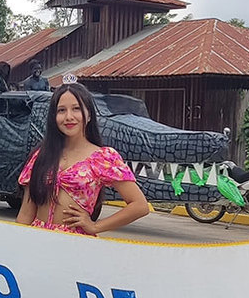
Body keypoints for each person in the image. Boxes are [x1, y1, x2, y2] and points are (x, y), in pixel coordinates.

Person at [15, 82, 149, 235]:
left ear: (89, 114)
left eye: (76, 109)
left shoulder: (103, 158)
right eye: (61, 110)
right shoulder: (41, 156)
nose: (69, 117)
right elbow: (26, 214)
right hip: (37, 241)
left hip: (77, 246)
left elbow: (139, 205)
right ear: (54, 117)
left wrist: (95, 226)